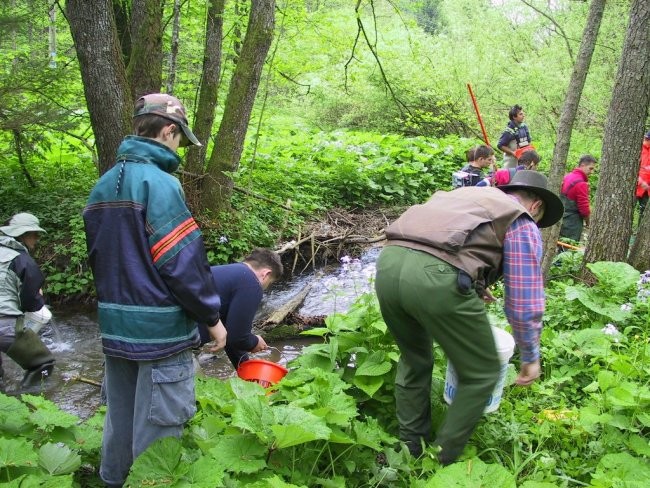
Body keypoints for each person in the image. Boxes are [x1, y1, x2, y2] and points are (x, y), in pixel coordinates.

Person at [83, 93, 227, 488]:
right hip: (160, 333)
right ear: (168, 130)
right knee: (161, 429)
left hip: (115, 329)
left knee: (121, 419)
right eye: (180, 139)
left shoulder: (102, 186)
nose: (180, 147)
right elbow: (181, 264)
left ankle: (113, 482)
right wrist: (212, 318)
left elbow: (102, 260)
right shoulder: (160, 183)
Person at [374, 170, 563, 464]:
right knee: (483, 371)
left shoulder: (466, 196)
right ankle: (439, 460)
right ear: (536, 204)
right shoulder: (522, 220)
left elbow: (442, 242)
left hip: (388, 265)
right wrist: (530, 356)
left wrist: (474, 284)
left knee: (415, 359)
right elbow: (523, 301)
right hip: (435, 281)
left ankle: (410, 449)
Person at [197, 248, 283, 368]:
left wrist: (247, 371)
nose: (265, 288)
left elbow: (230, 335)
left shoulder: (230, 274)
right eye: (269, 283)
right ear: (266, 274)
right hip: (176, 343)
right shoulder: (251, 282)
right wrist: (254, 342)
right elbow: (238, 338)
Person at [0, 212, 55, 391]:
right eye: (35, 234)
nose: (37, 239)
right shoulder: (22, 260)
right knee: (43, 364)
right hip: (4, 324)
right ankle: (28, 401)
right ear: (23, 234)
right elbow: (32, 304)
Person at [558, 154, 597, 243]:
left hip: (561, 217)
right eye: (590, 168)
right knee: (569, 250)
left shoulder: (568, 176)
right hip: (572, 223)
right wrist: (588, 221)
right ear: (582, 165)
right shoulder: (581, 184)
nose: (592, 172)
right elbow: (584, 209)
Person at [476, 149, 540, 187]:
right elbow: (484, 182)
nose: (537, 168)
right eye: (537, 165)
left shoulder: (505, 173)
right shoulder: (532, 181)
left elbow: (485, 182)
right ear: (532, 163)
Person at [497, 105, 532, 169]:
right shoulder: (509, 131)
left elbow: (528, 141)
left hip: (523, 158)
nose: (523, 116)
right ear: (514, 117)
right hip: (511, 161)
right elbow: (500, 145)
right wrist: (513, 152)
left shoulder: (524, 127)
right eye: (520, 114)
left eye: (523, 114)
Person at [635, 131, 650, 217]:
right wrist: (640, 181)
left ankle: (640, 230)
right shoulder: (638, 148)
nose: (645, 140)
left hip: (647, 189)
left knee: (644, 213)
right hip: (635, 186)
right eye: (646, 138)